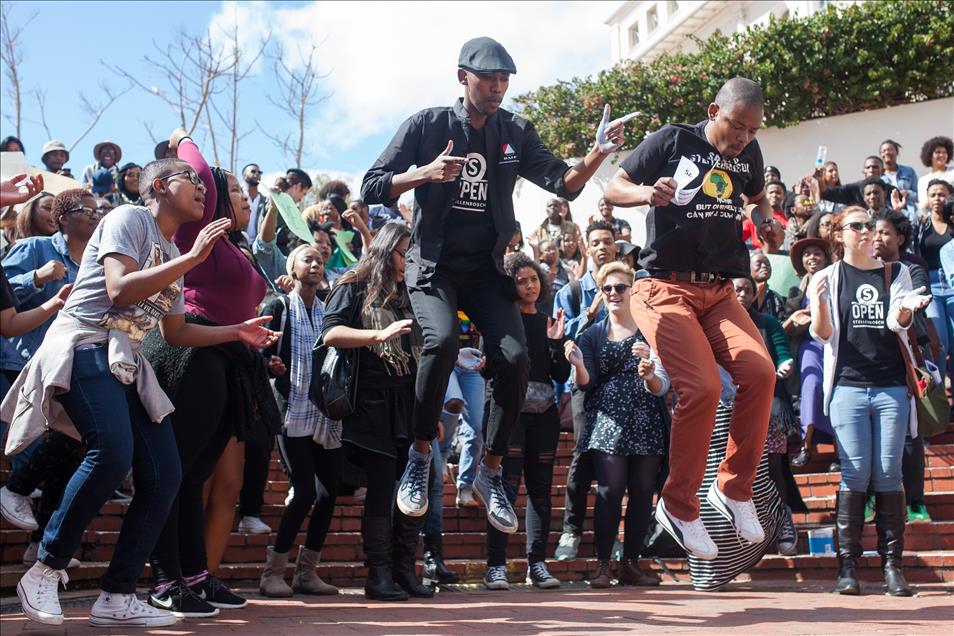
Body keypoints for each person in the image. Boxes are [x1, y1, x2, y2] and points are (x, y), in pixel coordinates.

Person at [361, 36, 629, 534]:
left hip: (487, 269)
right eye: (489, 79)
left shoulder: (515, 131)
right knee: (440, 344)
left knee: (514, 357)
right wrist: (423, 174)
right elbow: (372, 184)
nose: (498, 88)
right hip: (435, 265)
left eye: (505, 80)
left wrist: (597, 153)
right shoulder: (427, 125)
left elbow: (564, 183)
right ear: (463, 77)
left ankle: (490, 472)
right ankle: (421, 457)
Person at [1, 158, 278, 628]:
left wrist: (237, 332)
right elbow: (119, 290)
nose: (202, 190)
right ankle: (45, 569)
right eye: (192, 181)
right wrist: (190, 261)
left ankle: (117, 594)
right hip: (85, 345)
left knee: (165, 472)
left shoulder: (171, 249)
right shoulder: (128, 219)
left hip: (128, 362)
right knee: (111, 453)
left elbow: (175, 333)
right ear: (163, 185)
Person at [603, 76, 777, 560]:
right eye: (736, 125)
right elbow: (614, 186)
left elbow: (758, 195)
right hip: (664, 286)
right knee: (702, 388)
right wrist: (645, 195)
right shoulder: (673, 139)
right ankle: (679, 506)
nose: (743, 137)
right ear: (713, 110)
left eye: (752, 130)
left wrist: (762, 218)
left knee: (760, 372)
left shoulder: (750, 154)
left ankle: (734, 491)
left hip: (720, 290)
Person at [145, 130, 278, 618]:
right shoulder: (192, 232)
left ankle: (195, 574)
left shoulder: (230, 244)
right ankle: (164, 579)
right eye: (232, 190)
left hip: (227, 353)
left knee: (195, 472)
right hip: (191, 348)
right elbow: (197, 170)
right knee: (176, 470)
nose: (235, 197)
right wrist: (184, 138)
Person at [808, 205, 929, 597]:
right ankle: (848, 568)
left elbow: (897, 320)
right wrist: (822, 304)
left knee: (889, 473)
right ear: (839, 234)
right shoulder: (826, 277)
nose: (867, 232)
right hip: (847, 386)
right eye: (857, 226)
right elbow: (823, 334)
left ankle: (892, 567)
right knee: (855, 474)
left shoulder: (896, 272)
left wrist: (908, 311)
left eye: (870, 226)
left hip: (892, 385)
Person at [321, 222, 431, 601]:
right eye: (405, 253)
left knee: (412, 488)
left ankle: (404, 569)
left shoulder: (411, 292)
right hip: (371, 401)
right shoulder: (354, 285)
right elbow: (331, 334)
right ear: (386, 250)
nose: (409, 260)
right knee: (383, 488)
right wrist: (377, 336)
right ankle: (378, 573)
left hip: (409, 400)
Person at [565, 262, 669, 588]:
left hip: (645, 418)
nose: (613, 293)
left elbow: (663, 385)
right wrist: (579, 365)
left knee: (641, 494)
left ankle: (631, 564)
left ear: (632, 290)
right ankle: (602, 564)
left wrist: (650, 370)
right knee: (609, 492)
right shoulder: (592, 334)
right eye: (607, 288)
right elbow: (586, 382)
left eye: (620, 287)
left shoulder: (651, 330)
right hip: (607, 419)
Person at [482, 252, 569, 590]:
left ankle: (538, 564)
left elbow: (559, 373)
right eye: (521, 281)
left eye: (534, 279)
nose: (529, 285)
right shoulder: (499, 320)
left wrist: (557, 344)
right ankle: (496, 566)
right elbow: (489, 368)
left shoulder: (549, 320)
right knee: (504, 490)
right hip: (508, 413)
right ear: (510, 285)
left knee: (541, 492)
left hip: (544, 415)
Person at [257, 244, 340, 597]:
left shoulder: (328, 311)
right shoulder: (278, 306)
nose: (316, 264)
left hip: (323, 413)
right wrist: (269, 363)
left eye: (320, 260)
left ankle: (306, 573)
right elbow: (258, 347)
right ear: (292, 269)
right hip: (291, 409)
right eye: (307, 259)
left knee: (328, 492)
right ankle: (272, 573)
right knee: (304, 491)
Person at [551, 222, 619, 561]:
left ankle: (611, 536)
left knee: (615, 459)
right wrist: (588, 315)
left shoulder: (624, 287)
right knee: (582, 454)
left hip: (619, 385)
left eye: (608, 241)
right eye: (596, 242)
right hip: (581, 383)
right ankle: (571, 531)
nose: (603, 247)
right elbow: (560, 338)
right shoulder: (573, 291)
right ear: (586, 248)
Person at [872, 209, 935, 524]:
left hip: (907, 356)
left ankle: (915, 503)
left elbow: (918, 297)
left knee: (911, 435)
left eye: (884, 232)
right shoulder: (861, 271)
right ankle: (870, 497)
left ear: (899, 237)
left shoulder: (912, 268)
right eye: (874, 232)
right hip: (871, 360)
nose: (878, 238)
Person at [731, 275, 798, 556]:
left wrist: (785, 364)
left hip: (768, 405)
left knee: (772, 468)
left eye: (747, 290)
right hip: (730, 408)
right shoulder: (715, 323)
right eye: (737, 290)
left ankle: (782, 523)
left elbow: (783, 353)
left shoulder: (767, 323)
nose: (742, 294)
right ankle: (738, 533)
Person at [784, 238, 835, 469]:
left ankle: (840, 451)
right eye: (807, 254)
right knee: (812, 385)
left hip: (834, 344)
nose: (812, 258)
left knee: (835, 391)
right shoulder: (796, 290)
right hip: (809, 344)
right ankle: (806, 447)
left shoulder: (836, 282)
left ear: (826, 258)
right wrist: (796, 319)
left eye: (817, 254)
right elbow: (787, 326)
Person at [913, 179, 954, 381]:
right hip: (931, 290)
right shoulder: (920, 224)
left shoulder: (953, 221)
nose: (937, 199)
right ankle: (939, 403)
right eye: (933, 194)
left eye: (942, 194)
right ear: (927, 199)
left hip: (953, 287)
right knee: (939, 343)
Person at [742, 181, 787, 250]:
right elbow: (738, 239)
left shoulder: (789, 220)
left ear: (784, 196)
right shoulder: (753, 219)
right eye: (771, 192)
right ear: (764, 195)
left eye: (778, 192)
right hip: (758, 257)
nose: (774, 195)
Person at [879, 139, 919, 215]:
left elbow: (919, 196)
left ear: (896, 152)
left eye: (890, 149)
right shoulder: (878, 176)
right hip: (887, 214)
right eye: (883, 151)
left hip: (909, 213)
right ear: (881, 155)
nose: (887, 152)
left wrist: (908, 193)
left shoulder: (909, 171)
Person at [917, 136, 954, 214]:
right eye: (938, 152)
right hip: (933, 219)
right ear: (930, 155)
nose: (942, 155)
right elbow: (922, 206)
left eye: (945, 152)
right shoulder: (923, 180)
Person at [749, 250, 786, 320]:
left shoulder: (776, 297)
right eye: (758, 264)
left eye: (767, 264)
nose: (764, 266)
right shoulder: (743, 293)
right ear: (748, 269)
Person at [242, 163, 268, 242]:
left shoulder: (265, 201)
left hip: (258, 247)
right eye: (253, 171)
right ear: (244, 175)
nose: (257, 174)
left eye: (259, 173)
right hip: (240, 244)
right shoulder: (239, 197)